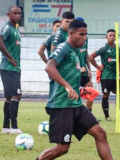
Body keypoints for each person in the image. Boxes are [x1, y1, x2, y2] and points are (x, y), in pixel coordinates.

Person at [37, 20, 113, 160]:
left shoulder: (76, 51)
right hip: (62, 105)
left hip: (76, 104)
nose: (85, 37)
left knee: (100, 133)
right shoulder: (63, 48)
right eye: (81, 34)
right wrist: (67, 86)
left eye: (86, 34)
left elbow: (72, 75)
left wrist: (81, 89)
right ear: (71, 34)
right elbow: (49, 67)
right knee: (62, 149)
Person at [0, 6, 22, 134]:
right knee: (17, 95)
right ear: (8, 14)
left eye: (19, 14)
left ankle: (6, 127)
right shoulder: (7, 27)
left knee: (9, 97)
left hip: (14, 68)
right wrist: (10, 57)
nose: (17, 16)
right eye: (15, 13)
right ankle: (15, 127)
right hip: (8, 67)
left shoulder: (15, 28)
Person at [90, 29, 120, 121]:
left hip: (115, 77)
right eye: (110, 35)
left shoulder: (118, 49)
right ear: (106, 37)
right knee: (106, 95)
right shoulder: (104, 49)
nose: (112, 37)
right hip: (106, 76)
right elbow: (91, 57)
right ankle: (107, 116)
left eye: (114, 35)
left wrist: (119, 69)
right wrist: (98, 67)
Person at [75, 17, 94, 112]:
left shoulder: (85, 39)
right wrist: (78, 68)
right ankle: (76, 114)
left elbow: (86, 54)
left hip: (84, 71)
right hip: (75, 72)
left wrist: (89, 69)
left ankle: (88, 113)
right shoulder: (71, 39)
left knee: (91, 91)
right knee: (75, 94)